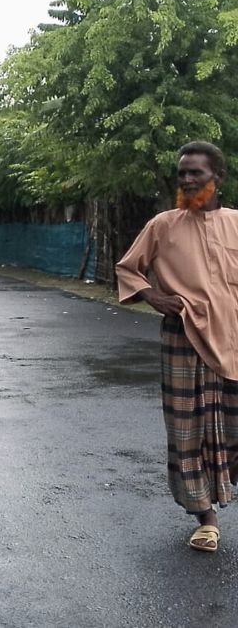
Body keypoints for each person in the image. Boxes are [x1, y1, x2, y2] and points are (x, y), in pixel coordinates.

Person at [115, 140, 238, 553]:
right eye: (182, 172)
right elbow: (128, 269)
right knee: (187, 432)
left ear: (216, 178)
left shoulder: (236, 223)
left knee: (232, 431)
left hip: (234, 343)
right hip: (184, 339)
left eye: (195, 173)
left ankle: (220, 490)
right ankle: (206, 517)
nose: (186, 179)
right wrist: (153, 296)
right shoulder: (163, 225)